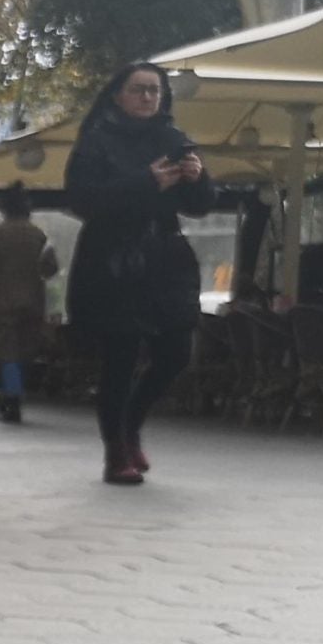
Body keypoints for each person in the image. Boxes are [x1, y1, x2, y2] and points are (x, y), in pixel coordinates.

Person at [65, 61, 214, 486]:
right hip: (114, 259)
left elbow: (201, 205)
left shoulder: (173, 138)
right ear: (118, 95)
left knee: (176, 354)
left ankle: (131, 422)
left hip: (165, 257)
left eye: (155, 91)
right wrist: (144, 182)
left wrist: (198, 179)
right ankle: (116, 452)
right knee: (120, 358)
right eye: (139, 90)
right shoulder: (97, 140)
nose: (148, 98)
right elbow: (81, 199)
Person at [0, 183, 58, 423]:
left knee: (8, 351)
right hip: (33, 300)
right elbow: (50, 268)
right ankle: (14, 393)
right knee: (25, 350)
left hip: (3, 300)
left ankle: (11, 396)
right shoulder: (38, 235)